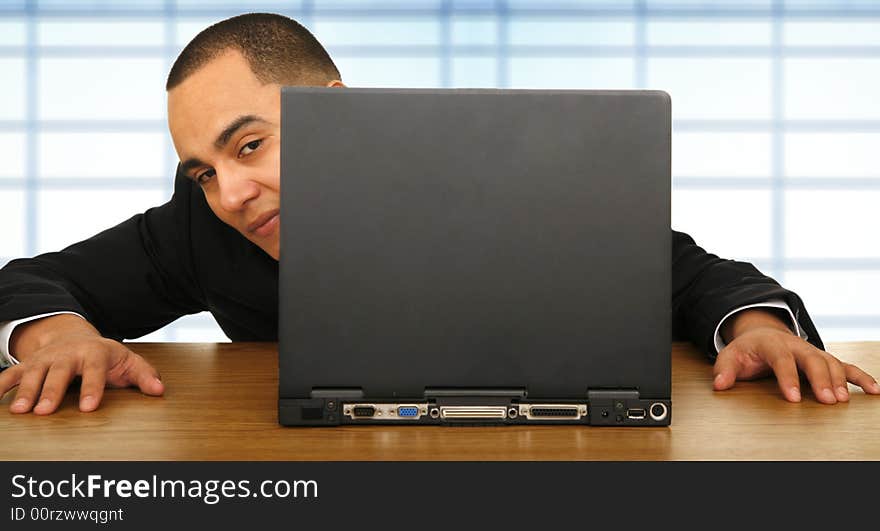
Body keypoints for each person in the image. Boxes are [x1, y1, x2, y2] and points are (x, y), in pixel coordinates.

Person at [0, 13, 876, 416]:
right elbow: (36, 282)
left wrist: (754, 325)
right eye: (200, 171)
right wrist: (55, 336)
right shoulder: (200, 226)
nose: (228, 195)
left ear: (334, 108)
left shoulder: (490, 175)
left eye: (251, 145)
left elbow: (686, 273)